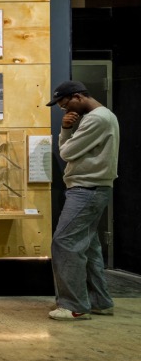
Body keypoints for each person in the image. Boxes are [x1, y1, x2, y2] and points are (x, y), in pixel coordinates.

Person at [45, 80, 119, 321]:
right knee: (88, 246)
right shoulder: (100, 117)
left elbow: (66, 153)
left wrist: (66, 131)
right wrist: (67, 130)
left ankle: (74, 306)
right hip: (92, 188)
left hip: (87, 189)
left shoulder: (97, 119)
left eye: (64, 104)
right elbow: (68, 151)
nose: (65, 110)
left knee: (64, 242)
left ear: (77, 97)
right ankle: (100, 301)